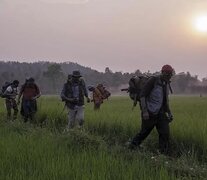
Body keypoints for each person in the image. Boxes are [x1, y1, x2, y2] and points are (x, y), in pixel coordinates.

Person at [129, 65, 174, 154]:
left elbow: (165, 100)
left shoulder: (166, 83)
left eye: (170, 74)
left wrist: (169, 112)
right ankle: (132, 146)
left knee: (165, 133)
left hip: (161, 113)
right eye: (167, 74)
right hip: (150, 112)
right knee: (144, 133)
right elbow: (142, 95)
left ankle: (164, 153)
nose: (168, 76)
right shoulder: (153, 80)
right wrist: (145, 111)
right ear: (162, 72)